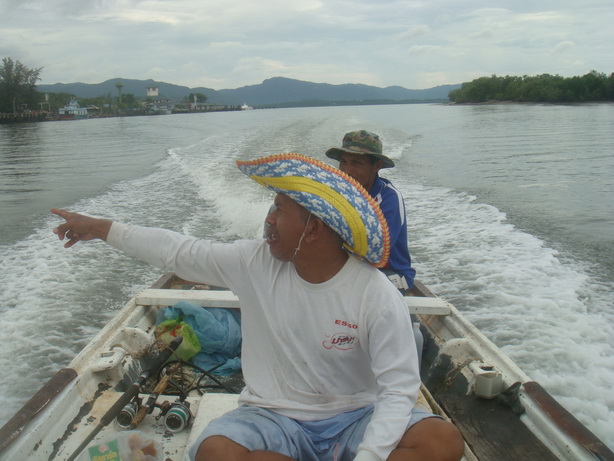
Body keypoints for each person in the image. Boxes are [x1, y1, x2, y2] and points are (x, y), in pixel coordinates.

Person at [52, 153, 464, 461]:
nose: (267, 221)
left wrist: (371, 457)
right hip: (274, 417)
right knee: (215, 451)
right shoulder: (254, 263)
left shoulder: (375, 294)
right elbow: (178, 251)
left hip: (354, 416)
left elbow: (397, 391)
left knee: (442, 442)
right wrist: (104, 228)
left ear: (314, 228)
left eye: (278, 210)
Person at [325, 130, 415, 293]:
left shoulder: (388, 198)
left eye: (356, 163)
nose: (347, 170)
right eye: (343, 162)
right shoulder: (338, 193)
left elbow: (378, 251)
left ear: (377, 166)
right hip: (351, 269)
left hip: (391, 273)